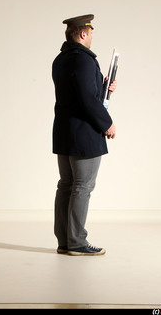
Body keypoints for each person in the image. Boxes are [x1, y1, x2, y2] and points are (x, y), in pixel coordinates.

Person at [52, 14, 117, 256]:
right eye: (90, 33)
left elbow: (78, 95)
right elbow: (88, 100)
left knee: (66, 186)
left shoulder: (61, 60)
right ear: (82, 33)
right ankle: (78, 242)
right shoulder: (85, 60)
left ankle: (66, 241)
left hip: (65, 132)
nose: (91, 38)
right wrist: (106, 123)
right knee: (82, 187)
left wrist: (103, 87)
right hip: (84, 134)